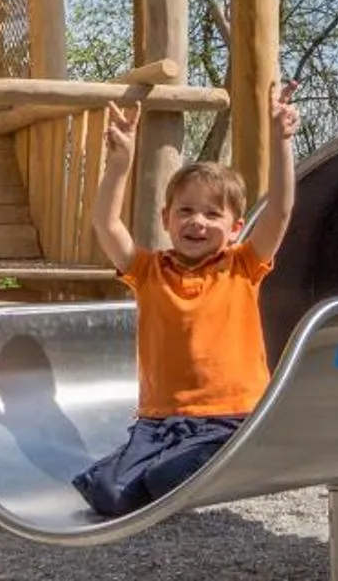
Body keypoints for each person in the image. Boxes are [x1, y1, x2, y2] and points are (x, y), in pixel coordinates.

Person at [71, 80, 301, 518]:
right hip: (160, 421)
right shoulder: (148, 270)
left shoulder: (243, 266)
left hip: (229, 418)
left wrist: (281, 139)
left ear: (235, 227)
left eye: (213, 214)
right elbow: (106, 224)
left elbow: (280, 211)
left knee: (165, 481)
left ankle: (214, 463)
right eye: (185, 211)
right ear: (166, 219)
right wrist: (120, 162)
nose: (198, 221)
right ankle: (152, 467)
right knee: (106, 496)